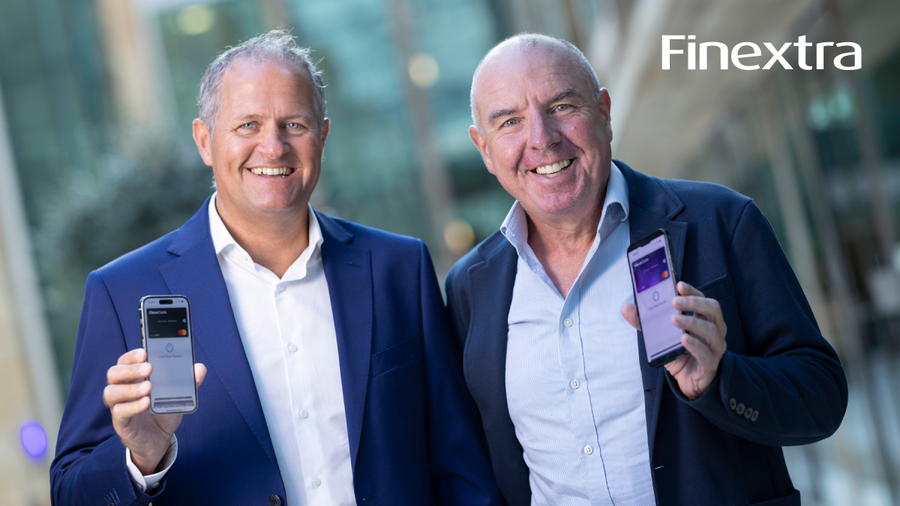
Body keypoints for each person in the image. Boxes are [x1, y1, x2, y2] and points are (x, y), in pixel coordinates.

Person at [51, 30, 500, 506]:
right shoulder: (122, 292)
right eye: (248, 125)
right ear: (204, 141)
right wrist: (140, 458)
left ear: (322, 136)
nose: (273, 146)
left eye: (295, 124)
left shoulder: (398, 269)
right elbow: (69, 491)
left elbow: (461, 464)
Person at [445, 33, 848, 506]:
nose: (542, 138)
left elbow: (820, 398)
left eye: (562, 106)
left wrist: (721, 379)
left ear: (604, 113)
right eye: (510, 121)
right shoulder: (470, 287)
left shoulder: (720, 221)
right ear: (484, 148)